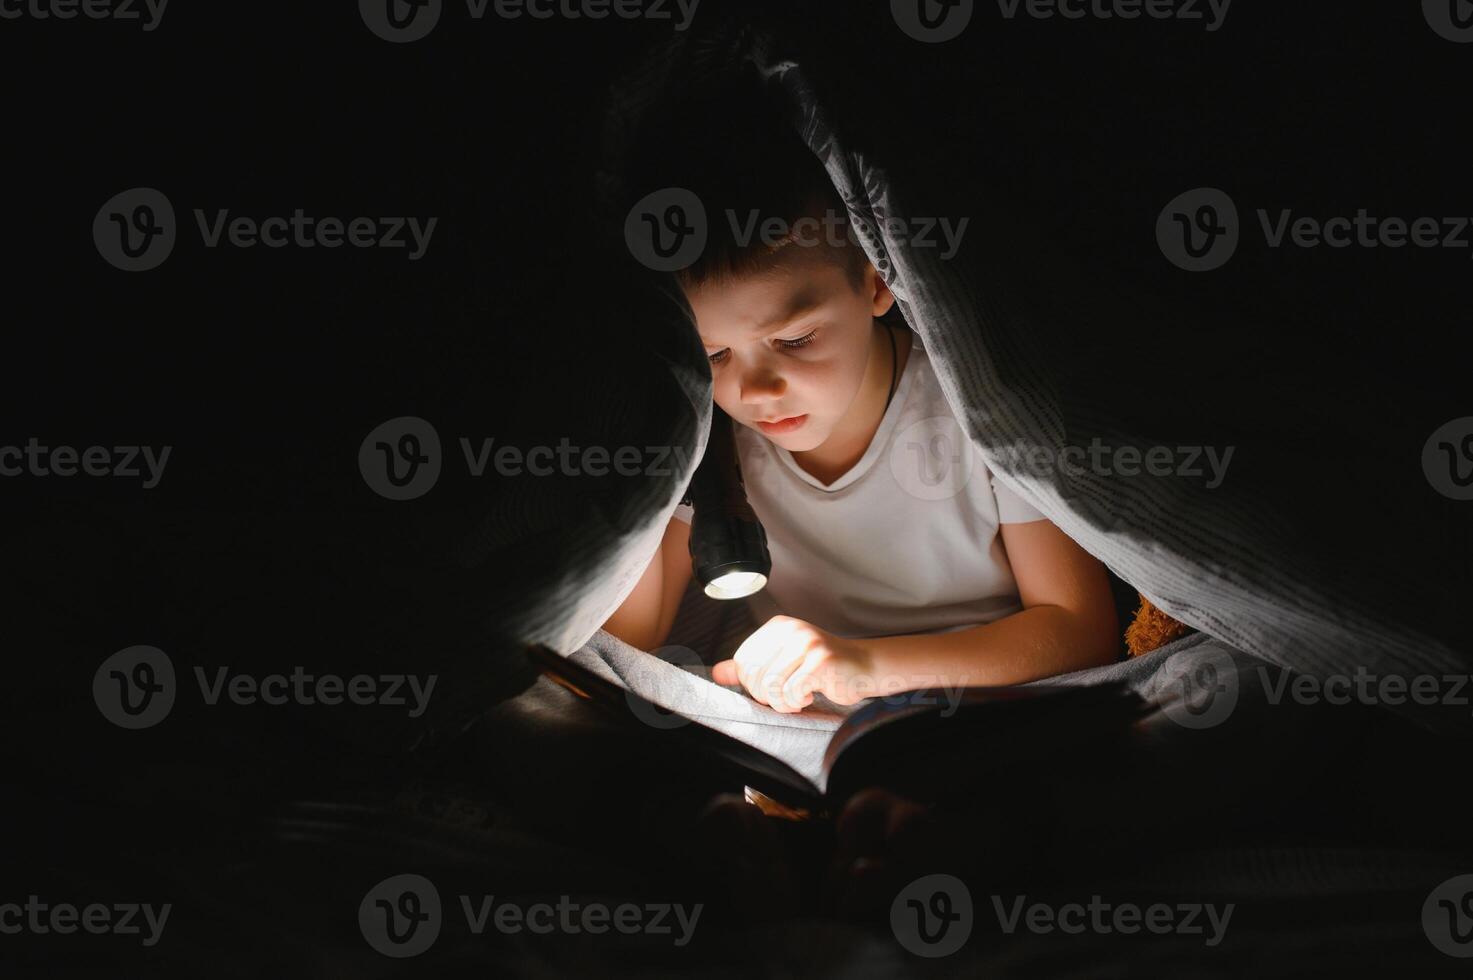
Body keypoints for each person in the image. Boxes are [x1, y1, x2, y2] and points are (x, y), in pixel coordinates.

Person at [602, 79, 1119, 712]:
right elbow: (628, 635)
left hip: (998, 704)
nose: (756, 388)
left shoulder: (978, 411)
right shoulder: (716, 449)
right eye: (712, 354)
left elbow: (1081, 630)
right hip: (822, 737)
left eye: (795, 340)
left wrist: (865, 664)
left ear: (876, 285)